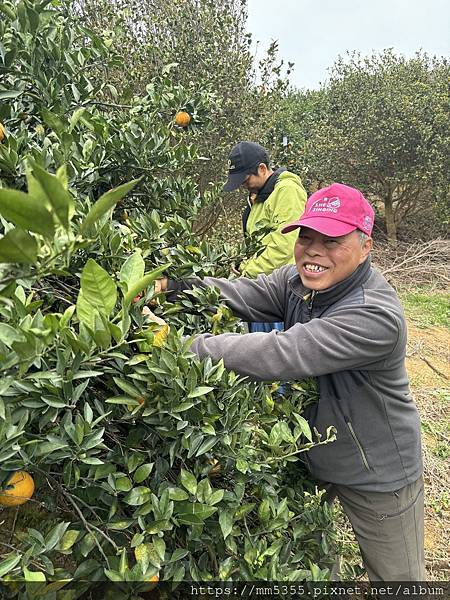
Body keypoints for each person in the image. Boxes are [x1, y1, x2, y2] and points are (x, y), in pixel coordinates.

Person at [146, 183, 425, 582]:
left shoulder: (374, 316)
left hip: (375, 469)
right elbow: (242, 292)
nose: (313, 250)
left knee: (398, 579)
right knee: (312, 555)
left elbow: (281, 353)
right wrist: (173, 286)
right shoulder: (297, 282)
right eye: (306, 237)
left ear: (365, 247)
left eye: (332, 241)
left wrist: (175, 344)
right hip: (313, 451)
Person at [223, 140, 307, 333]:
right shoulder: (260, 196)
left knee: (272, 347)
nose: (243, 186)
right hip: (262, 285)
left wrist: (248, 271)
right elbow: (259, 241)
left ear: (262, 169)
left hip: (280, 289)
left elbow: (285, 246)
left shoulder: (287, 191)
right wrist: (242, 261)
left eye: (245, 180)